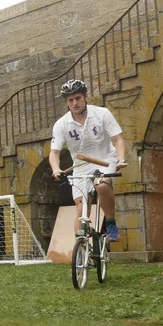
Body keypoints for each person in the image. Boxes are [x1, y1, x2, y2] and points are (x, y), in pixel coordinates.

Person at [48, 79, 128, 241]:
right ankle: (80, 249)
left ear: (85, 97)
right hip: (81, 166)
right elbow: (54, 152)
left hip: (106, 160)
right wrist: (56, 168)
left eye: (78, 98)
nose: (75, 103)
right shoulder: (61, 124)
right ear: (67, 103)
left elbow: (118, 139)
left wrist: (120, 159)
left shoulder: (102, 113)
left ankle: (111, 222)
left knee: (102, 186)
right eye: (70, 100)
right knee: (81, 209)